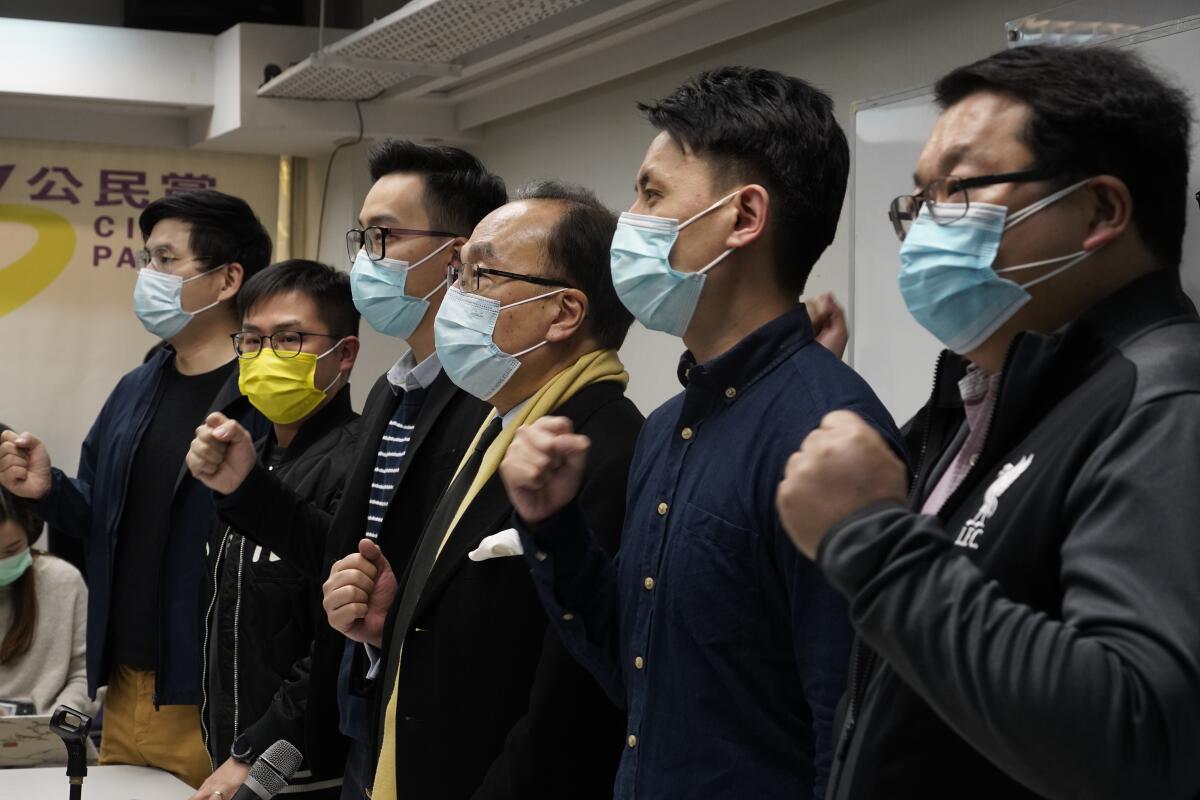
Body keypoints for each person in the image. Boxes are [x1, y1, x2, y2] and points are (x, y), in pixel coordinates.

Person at [776, 44, 1200, 799]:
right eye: (920, 199)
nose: (924, 226)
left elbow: (1139, 735)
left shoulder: (1166, 403)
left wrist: (871, 540)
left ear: (1103, 209)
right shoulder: (1003, 398)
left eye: (959, 189)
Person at [497, 67, 903, 800]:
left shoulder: (828, 436)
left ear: (744, 217)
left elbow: (848, 736)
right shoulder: (667, 429)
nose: (630, 219)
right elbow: (634, 672)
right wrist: (551, 526)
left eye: (652, 194)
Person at [185, 139, 506, 799]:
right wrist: (248, 488)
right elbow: (339, 559)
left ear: (459, 255)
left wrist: (263, 753)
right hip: (367, 726)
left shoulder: (490, 399)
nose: (365, 258)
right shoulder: (398, 392)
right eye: (361, 237)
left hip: (437, 739)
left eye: (384, 236)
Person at [324, 181, 643, 799]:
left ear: (564, 313)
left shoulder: (604, 450)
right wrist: (392, 621)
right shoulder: (497, 425)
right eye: (457, 271)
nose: (454, 295)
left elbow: (569, 707)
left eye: (480, 275)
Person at [0, 190, 272, 788]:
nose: (148, 275)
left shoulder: (266, 397)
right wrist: (50, 490)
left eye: (166, 259)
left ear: (227, 279)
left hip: (214, 691)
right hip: (124, 686)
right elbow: (103, 517)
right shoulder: (136, 387)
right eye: (146, 258)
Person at [184, 260, 361, 800]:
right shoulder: (249, 460)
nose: (265, 357)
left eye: (289, 339)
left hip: (306, 772)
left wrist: (256, 753)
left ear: (345, 354)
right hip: (233, 755)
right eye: (253, 341)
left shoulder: (359, 464)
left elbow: (337, 641)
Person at [0, 433, 95, 719]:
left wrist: (55, 722)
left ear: (29, 532)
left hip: (52, 746)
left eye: (11, 549)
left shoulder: (62, 581)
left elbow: (86, 675)